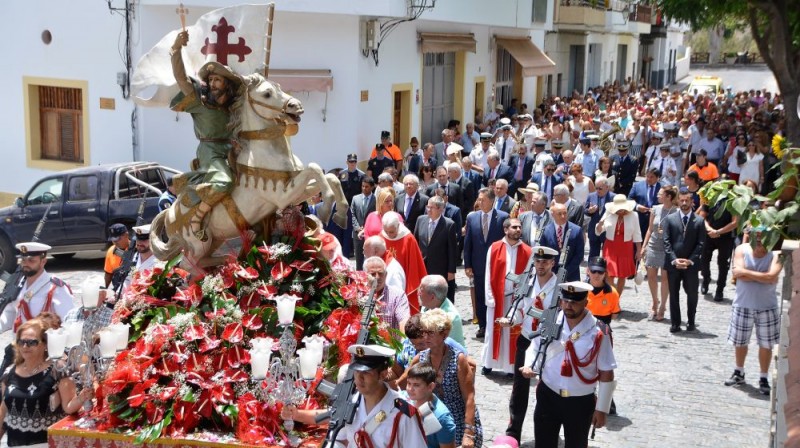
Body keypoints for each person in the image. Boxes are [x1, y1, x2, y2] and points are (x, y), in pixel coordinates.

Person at [520, 281, 617, 448]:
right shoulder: (549, 322)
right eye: (565, 301)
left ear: (586, 303)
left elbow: (607, 371)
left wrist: (601, 409)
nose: (568, 306)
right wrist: (530, 365)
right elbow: (535, 347)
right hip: (548, 395)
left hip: (579, 401)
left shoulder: (599, 331)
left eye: (574, 302)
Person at [170, 31, 242, 240]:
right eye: (210, 80)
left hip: (233, 149)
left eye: (217, 80)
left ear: (226, 84)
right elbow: (180, 77)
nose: (212, 84)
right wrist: (176, 50)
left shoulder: (233, 105)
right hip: (210, 151)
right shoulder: (198, 99)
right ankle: (197, 218)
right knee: (224, 182)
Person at [0, 318, 92, 448]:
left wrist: (82, 397)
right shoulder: (9, 373)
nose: (25, 346)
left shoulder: (58, 370)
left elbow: (69, 407)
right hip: (15, 444)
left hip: (48, 444)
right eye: (21, 342)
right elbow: (4, 410)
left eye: (32, 342)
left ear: (44, 345)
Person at [497, 246, 558, 444]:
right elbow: (521, 309)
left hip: (547, 342)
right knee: (519, 387)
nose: (540, 265)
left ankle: (549, 429)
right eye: (538, 261)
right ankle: (514, 430)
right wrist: (511, 319)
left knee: (548, 388)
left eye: (545, 262)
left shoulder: (558, 286)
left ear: (552, 263)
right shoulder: (528, 283)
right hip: (526, 338)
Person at [725, 227, 782, 395]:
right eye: (756, 236)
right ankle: (739, 371)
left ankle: (763, 377)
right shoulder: (742, 249)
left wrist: (746, 274)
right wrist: (763, 277)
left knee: (766, 344)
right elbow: (737, 273)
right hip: (743, 304)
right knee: (740, 341)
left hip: (767, 307)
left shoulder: (776, 255)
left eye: (762, 236)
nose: (759, 240)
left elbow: (772, 277)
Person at [335, 344, 427, 448]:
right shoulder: (349, 403)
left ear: (383, 375)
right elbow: (340, 439)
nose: (359, 378)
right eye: (357, 371)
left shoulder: (403, 412)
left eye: (366, 372)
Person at [415, 310, 484, 448]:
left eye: (431, 332)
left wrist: (468, 433)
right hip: (432, 420)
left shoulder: (458, 359)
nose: (425, 337)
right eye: (424, 332)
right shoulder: (421, 358)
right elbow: (405, 385)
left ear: (444, 334)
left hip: (457, 421)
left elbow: (469, 397)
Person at [482, 218, 531, 376]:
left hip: (516, 299)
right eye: (514, 227)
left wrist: (523, 300)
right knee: (493, 331)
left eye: (519, 227)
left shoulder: (528, 251)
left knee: (513, 332)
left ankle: (511, 367)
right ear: (505, 229)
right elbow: (488, 272)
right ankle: (489, 363)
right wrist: (490, 297)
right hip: (498, 298)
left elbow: (530, 277)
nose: (518, 230)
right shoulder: (495, 247)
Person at [0, 243, 74, 335]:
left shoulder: (57, 289)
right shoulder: (18, 284)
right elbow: (10, 313)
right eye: (23, 260)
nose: (25, 264)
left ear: (43, 262)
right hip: (20, 346)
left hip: (44, 346)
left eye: (31, 260)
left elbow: (68, 323)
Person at [464, 188, 508, 338]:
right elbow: (468, 242)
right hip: (478, 265)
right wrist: (467, 264)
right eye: (479, 199)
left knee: (496, 294)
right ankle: (483, 325)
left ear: (491, 201)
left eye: (482, 200)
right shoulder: (472, 218)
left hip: (496, 265)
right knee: (480, 295)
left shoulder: (502, 217)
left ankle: (496, 323)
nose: (479, 202)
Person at [663, 188, 706, 333]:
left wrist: (690, 260)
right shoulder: (670, 219)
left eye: (687, 200)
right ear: (678, 201)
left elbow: (701, 244)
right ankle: (675, 323)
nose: (684, 203)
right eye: (681, 200)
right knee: (674, 294)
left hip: (691, 265)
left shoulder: (699, 221)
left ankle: (691, 321)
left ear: (692, 202)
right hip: (674, 265)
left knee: (692, 294)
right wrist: (674, 260)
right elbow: (666, 242)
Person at [640, 186, 678, 321]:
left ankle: (663, 306)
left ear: (668, 197)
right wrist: (644, 246)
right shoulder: (655, 209)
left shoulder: (676, 211)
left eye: (660, 194)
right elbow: (650, 229)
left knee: (665, 278)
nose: (657, 195)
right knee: (651, 277)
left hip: (667, 248)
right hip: (653, 245)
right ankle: (655, 302)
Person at [595, 194, 642, 298]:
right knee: (609, 273)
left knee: (622, 276)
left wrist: (639, 251)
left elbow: (637, 234)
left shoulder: (634, 215)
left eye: (622, 209)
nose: (620, 211)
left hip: (626, 248)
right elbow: (599, 231)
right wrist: (599, 225)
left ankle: (616, 299)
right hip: (610, 247)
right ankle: (612, 297)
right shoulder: (609, 213)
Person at [382, 212, 427, 314]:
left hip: (404, 282)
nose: (389, 235)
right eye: (386, 231)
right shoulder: (382, 236)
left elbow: (415, 265)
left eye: (392, 232)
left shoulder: (408, 238)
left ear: (398, 226)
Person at [404, 363, 457, 448]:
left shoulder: (442, 418)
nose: (410, 389)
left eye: (416, 385)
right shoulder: (404, 398)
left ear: (431, 386)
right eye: (409, 383)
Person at [415, 197, 458, 301]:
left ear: (440, 209)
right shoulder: (420, 220)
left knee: (440, 297)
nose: (428, 210)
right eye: (427, 207)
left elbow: (452, 250)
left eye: (431, 207)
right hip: (423, 267)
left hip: (440, 268)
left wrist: (451, 271)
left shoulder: (449, 224)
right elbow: (415, 242)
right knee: (424, 295)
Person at [700, 198, 738, 302]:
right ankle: (706, 278)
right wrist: (710, 230)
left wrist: (718, 232)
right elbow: (702, 217)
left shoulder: (732, 201)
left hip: (726, 237)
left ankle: (720, 289)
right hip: (709, 235)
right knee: (704, 259)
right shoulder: (710, 199)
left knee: (723, 264)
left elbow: (735, 222)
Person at [540, 203, 584, 282]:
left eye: (565, 213)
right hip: (550, 275)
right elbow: (543, 254)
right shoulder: (545, 231)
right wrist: (552, 272)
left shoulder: (577, 230)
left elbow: (579, 255)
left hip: (571, 275)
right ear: (553, 215)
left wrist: (565, 272)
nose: (563, 216)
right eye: (559, 214)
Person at [364, 256, 410, 332]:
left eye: (380, 273)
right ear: (364, 275)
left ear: (386, 275)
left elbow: (404, 320)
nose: (377, 277)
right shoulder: (357, 295)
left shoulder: (398, 295)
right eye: (372, 274)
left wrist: (405, 341)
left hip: (390, 342)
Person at [419, 275, 465, 347]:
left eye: (421, 290)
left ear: (432, 297)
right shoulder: (426, 305)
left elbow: (454, 350)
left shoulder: (451, 318)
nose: (418, 293)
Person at [584, 176, 615, 258]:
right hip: (594, 229)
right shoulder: (591, 196)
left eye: (600, 188)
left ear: (607, 187)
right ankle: (591, 270)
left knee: (607, 255)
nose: (597, 190)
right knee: (593, 255)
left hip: (607, 231)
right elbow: (585, 210)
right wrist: (589, 211)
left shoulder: (613, 197)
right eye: (596, 188)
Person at [628, 168, 663, 238]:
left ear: (657, 178)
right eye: (647, 176)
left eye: (652, 177)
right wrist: (637, 206)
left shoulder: (662, 188)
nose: (649, 179)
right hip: (639, 219)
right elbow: (629, 199)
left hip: (655, 220)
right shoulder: (637, 185)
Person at [585, 257, 621, 325]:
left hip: (603, 329)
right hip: (582, 328)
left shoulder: (613, 293)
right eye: (593, 271)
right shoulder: (580, 289)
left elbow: (614, 314)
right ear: (588, 271)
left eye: (600, 272)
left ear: (605, 273)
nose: (596, 274)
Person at [351, 177, 377, 271]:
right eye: (363, 186)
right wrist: (358, 228)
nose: (364, 188)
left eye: (367, 187)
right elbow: (352, 214)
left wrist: (366, 228)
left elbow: (376, 216)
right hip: (358, 234)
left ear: (372, 187)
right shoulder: (355, 198)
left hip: (370, 234)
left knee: (371, 259)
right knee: (358, 259)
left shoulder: (376, 200)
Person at [104, 223, 130, 288]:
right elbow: (108, 274)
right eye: (113, 239)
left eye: (117, 239)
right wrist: (105, 289)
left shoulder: (137, 249)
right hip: (117, 288)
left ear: (126, 235)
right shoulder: (111, 251)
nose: (115, 242)